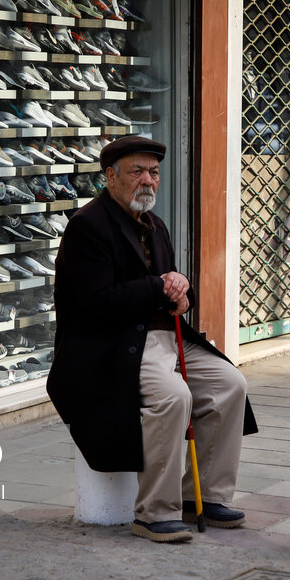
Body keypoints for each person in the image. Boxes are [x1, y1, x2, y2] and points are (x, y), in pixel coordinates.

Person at [47, 135, 258, 543]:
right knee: (173, 397)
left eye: (154, 172)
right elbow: (97, 303)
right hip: (115, 345)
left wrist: (182, 295)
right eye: (137, 172)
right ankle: (154, 513)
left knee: (230, 384)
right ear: (110, 177)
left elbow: (172, 286)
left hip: (163, 337)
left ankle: (202, 496)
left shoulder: (154, 225)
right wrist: (159, 288)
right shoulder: (87, 227)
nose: (148, 180)